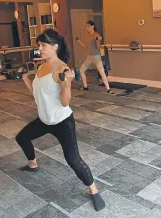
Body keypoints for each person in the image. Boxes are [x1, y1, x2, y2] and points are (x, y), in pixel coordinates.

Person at [15, 29, 106, 211]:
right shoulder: (41, 66)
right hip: (44, 120)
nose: (39, 49)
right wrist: (25, 77)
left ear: (55, 47)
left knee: (72, 159)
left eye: (43, 45)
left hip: (62, 121)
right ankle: (33, 164)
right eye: (39, 45)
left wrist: (67, 84)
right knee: (22, 137)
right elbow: (37, 93)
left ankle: (94, 190)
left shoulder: (61, 69)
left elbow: (65, 103)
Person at [76, 20, 114, 94]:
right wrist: (78, 41)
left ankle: (108, 89)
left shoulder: (96, 34)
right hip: (89, 57)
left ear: (92, 26)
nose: (87, 28)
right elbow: (85, 46)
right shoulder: (89, 36)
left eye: (88, 26)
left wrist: (98, 40)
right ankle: (85, 86)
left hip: (96, 56)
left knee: (102, 72)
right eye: (86, 26)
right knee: (81, 71)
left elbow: (98, 46)